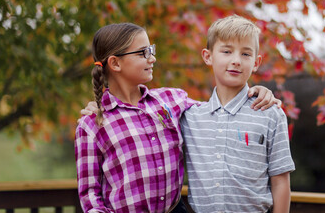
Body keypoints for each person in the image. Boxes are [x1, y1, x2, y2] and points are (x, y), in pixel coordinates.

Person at [75, 22, 279, 213]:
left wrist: (255, 92)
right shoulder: (92, 124)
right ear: (115, 63)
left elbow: (219, 110)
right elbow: (90, 195)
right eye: (143, 53)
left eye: (151, 50)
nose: (152, 58)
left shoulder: (172, 100)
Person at [181, 15, 295, 213]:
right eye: (226, 51)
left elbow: (280, 181)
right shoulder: (189, 117)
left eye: (245, 54)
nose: (236, 61)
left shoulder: (270, 114)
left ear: (256, 62)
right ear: (208, 56)